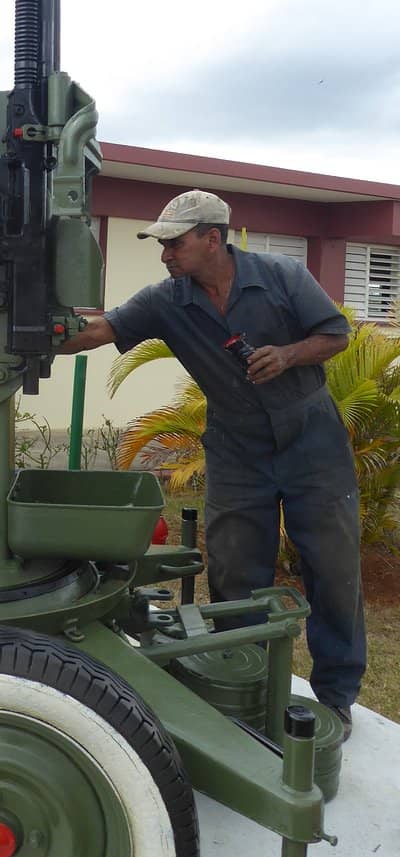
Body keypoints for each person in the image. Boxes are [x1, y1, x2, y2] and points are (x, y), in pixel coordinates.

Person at [61, 188, 365, 741]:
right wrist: (29, 333)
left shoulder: (280, 276)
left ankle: (337, 698)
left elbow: (336, 335)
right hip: (236, 446)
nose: (164, 255)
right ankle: (242, 685)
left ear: (211, 238)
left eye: (173, 244)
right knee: (234, 572)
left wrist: (289, 354)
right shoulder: (165, 300)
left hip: (311, 440)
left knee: (333, 570)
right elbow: (101, 330)